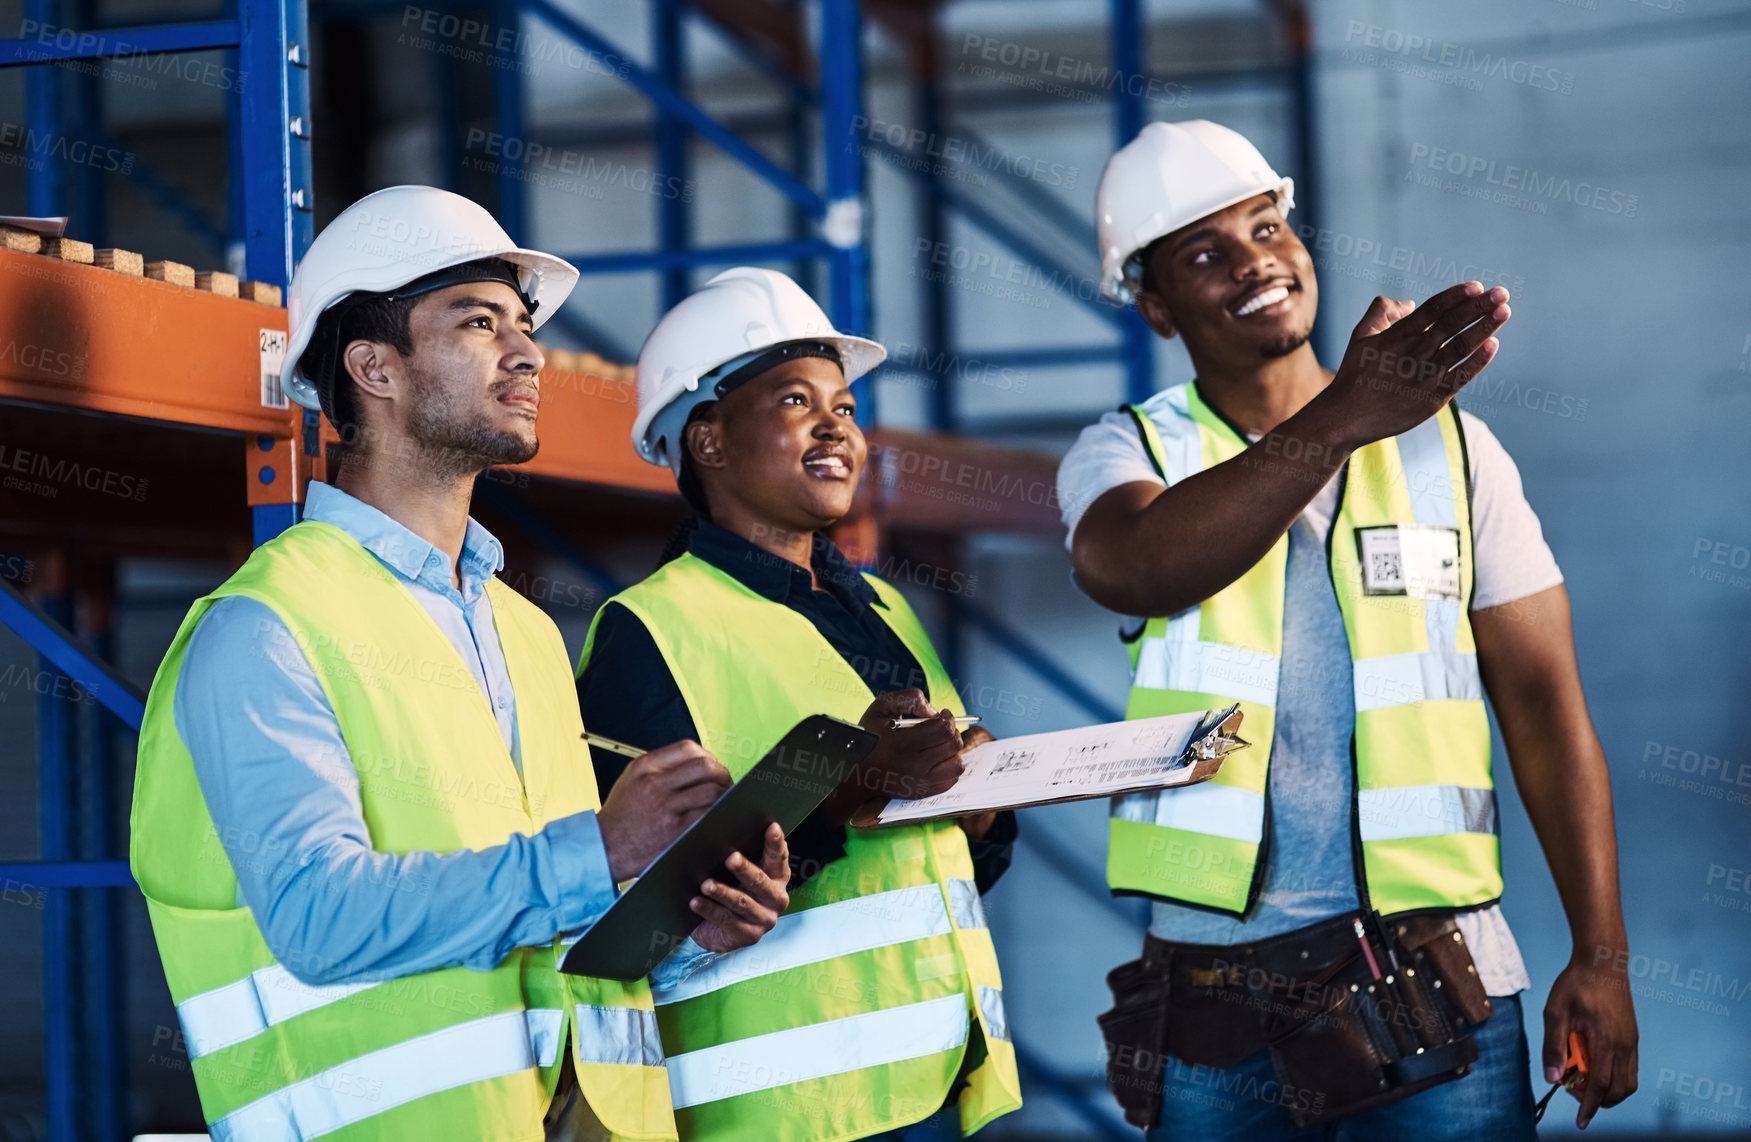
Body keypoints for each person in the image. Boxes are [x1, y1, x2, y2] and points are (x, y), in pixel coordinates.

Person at [130, 186, 789, 1142]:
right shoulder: (265, 626)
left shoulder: (521, 629)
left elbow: (535, 922)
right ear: (374, 368)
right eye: (479, 323)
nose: (526, 352)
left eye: (523, 326)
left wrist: (686, 932)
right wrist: (602, 850)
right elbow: (319, 920)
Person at [1061, 122, 1637, 1139]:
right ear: (1150, 301)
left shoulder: (1454, 452)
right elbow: (1135, 565)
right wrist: (1343, 413)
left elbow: (1545, 706)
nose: (1255, 261)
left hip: (1435, 983)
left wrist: (1599, 956)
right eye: (1204, 252)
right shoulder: (1129, 447)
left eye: (1267, 226)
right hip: (1211, 1004)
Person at [575, 267, 1023, 1142]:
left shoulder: (881, 608)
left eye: (845, 407)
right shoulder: (647, 631)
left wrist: (981, 801)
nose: (835, 426)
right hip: (776, 1108)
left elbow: (955, 858)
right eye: (793, 400)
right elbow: (635, 917)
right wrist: (851, 791)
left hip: (937, 1077)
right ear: (705, 439)